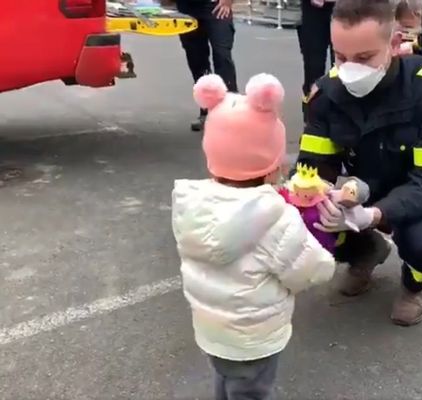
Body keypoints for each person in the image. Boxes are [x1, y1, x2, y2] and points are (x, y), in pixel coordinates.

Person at [296, 0, 422, 326]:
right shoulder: (326, 95)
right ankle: (365, 251)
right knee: (301, 218)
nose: (350, 69)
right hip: (362, 188)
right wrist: (314, 196)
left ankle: (415, 284)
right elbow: (311, 167)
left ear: (394, 43)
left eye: (364, 58)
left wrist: (374, 214)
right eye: (341, 57)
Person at [171, 72, 335, 399]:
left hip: (211, 329)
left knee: (227, 380)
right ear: (272, 166)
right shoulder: (274, 217)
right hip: (253, 337)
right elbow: (313, 270)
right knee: (253, 391)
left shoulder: (189, 202)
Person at [169, 0, 238, 131]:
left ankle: (231, 112)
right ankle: (207, 111)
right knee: (197, 61)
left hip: (216, 5)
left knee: (222, 56)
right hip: (187, 8)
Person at [297, 0, 336, 121]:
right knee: (313, 66)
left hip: (346, 9)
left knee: (344, 64)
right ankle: (311, 117)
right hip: (313, 10)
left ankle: (342, 112)